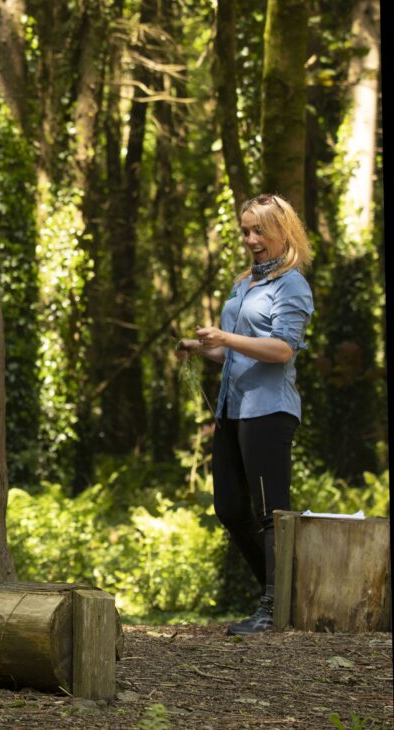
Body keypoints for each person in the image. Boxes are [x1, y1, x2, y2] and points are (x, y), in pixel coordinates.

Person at [178, 194, 313, 635]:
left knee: (271, 513)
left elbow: (281, 349)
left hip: (269, 412)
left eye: (259, 231)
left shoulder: (291, 285)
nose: (251, 239)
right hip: (233, 411)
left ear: (283, 231)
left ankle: (276, 608)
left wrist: (228, 339)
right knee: (230, 508)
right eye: (246, 231)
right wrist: (203, 348)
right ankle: (279, 596)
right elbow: (235, 352)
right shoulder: (245, 284)